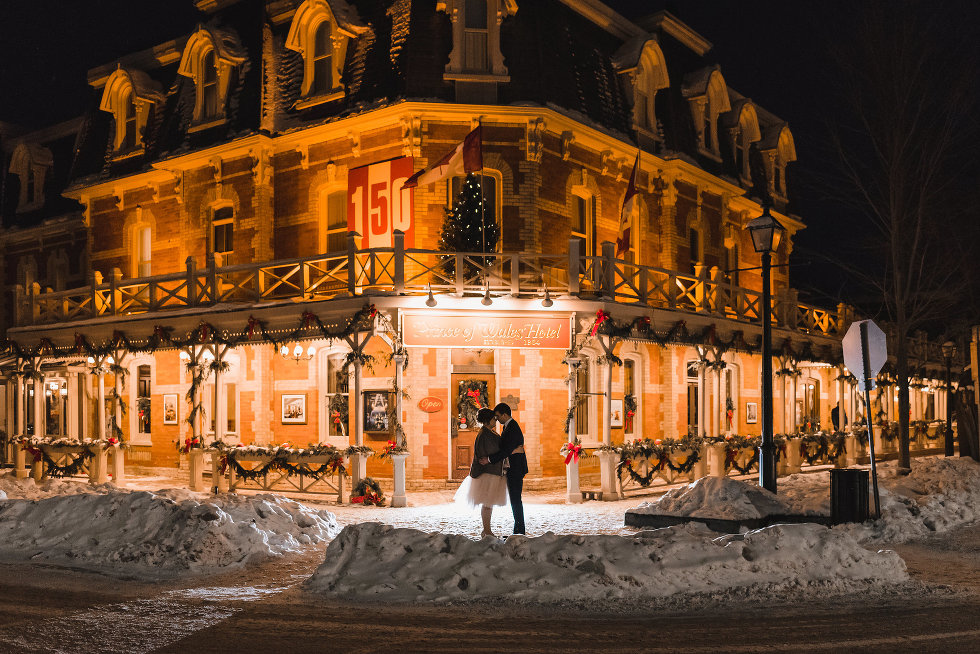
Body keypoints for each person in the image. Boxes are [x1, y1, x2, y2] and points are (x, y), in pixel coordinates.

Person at [453, 408, 508, 538]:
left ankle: (487, 529)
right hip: (488, 472)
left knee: (488, 502)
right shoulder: (485, 434)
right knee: (487, 502)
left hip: (491, 471)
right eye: (494, 418)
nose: (496, 420)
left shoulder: (488, 432)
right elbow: (492, 451)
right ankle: (487, 530)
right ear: (488, 420)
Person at [480, 402, 528, 536]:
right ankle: (518, 530)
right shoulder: (508, 426)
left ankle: (519, 531)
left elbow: (506, 450)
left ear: (505, 414)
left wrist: (489, 459)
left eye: (497, 416)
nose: (496, 419)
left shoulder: (512, 427)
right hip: (513, 467)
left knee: (515, 499)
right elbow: (507, 449)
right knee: (514, 499)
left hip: (516, 468)